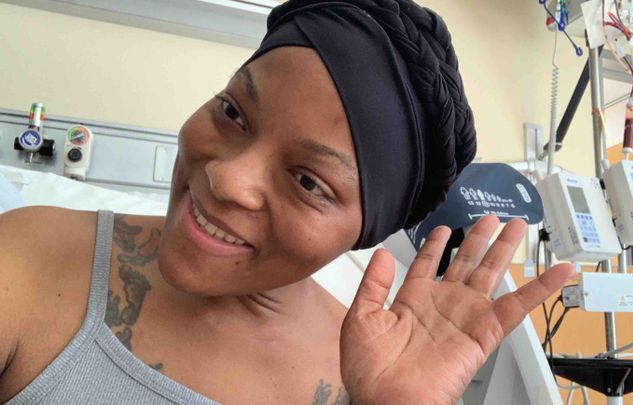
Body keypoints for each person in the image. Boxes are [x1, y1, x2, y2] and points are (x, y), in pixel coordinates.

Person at [0, 0, 575, 403]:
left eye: (307, 182)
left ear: (365, 232)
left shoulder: (368, 377)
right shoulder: (30, 259)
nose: (227, 178)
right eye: (233, 112)